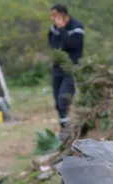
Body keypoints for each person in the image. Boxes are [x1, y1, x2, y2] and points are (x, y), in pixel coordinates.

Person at [48, 3, 84, 131]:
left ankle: (69, 129)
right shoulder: (53, 29)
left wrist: (63, 30)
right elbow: (53, 45)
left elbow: (74, 45)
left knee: (64, 100)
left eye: (54, 15)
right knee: (58, 103)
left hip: (71, 69)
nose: (52, 18)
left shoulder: (77, 27)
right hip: (57, 69)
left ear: (63, 15)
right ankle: (64, 129)